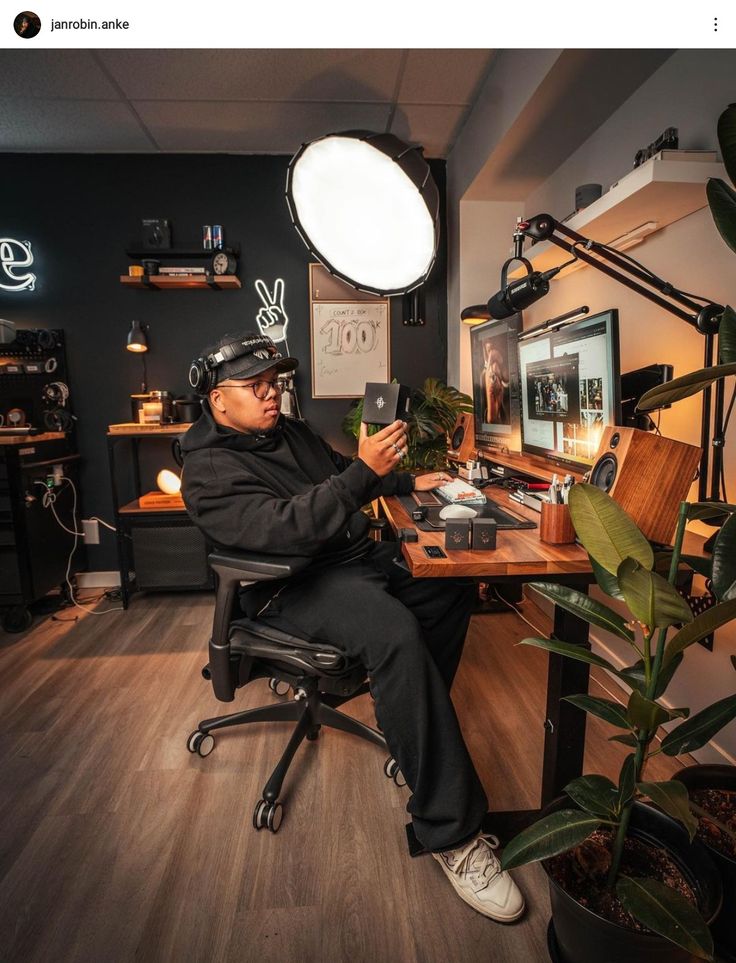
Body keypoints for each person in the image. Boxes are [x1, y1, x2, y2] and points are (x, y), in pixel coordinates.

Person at [181, 331, 525, 923]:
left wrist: (402, 480)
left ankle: (415, 738)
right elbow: (286, 527)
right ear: (217, 399)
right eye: (255, 387)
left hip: (345, 561)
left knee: (450, 585)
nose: (271, 395)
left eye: (274, 384)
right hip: (286, 584)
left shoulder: (285, 430)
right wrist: (360, 475)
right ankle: (449, 831)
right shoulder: (208, 469)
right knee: (392, 630)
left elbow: (342, 471)